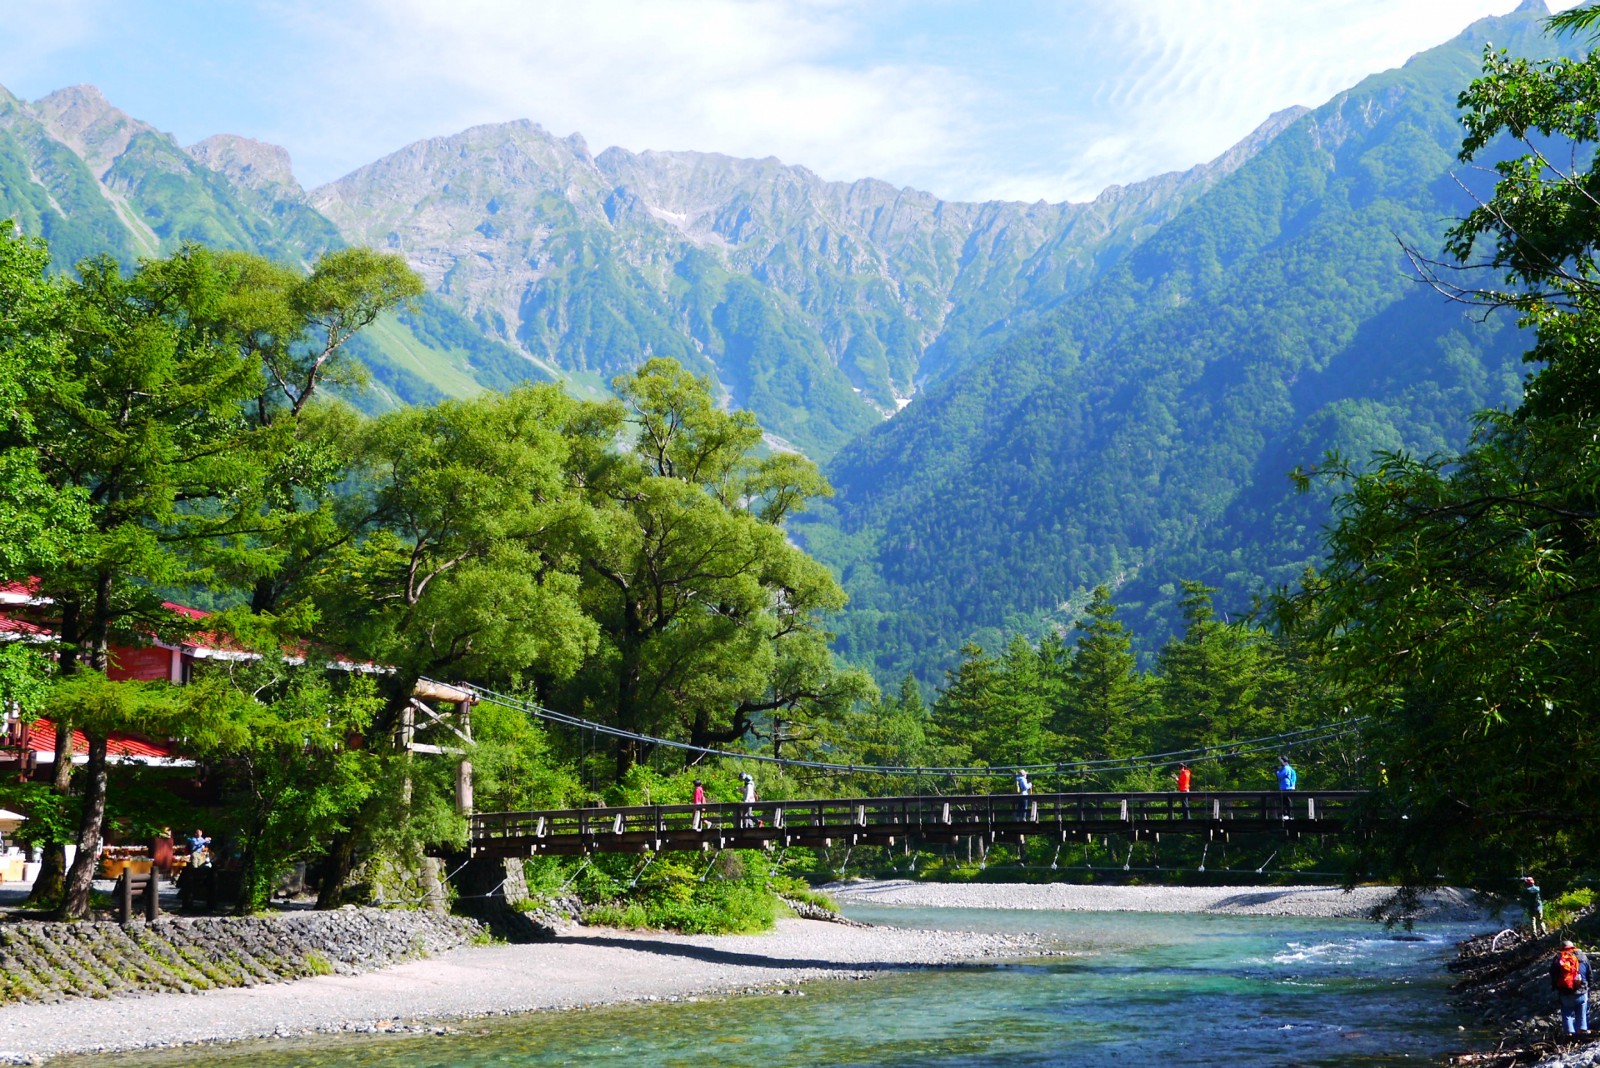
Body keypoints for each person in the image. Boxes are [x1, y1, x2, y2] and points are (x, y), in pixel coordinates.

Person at [1552, 940, 1590, 1037]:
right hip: (1581, 990)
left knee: (1566, 1012)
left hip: (1565, 991)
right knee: (1582, 1009)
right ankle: (1582, 1029)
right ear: (1573, 946)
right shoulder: (1582, 956)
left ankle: (1569, 1033)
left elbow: (1553, 973)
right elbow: (1589, 973)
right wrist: (1588, 985)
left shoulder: (1558, 957)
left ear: (1562, 948)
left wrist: (1556, 987)